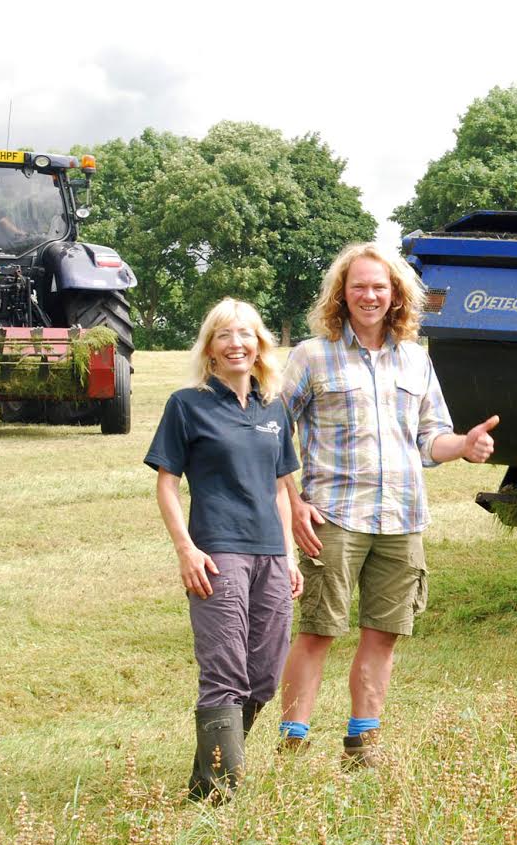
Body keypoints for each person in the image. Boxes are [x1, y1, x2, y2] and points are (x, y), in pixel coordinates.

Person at [276, 241, 498, 768]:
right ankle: (292, 745)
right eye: (359, 286)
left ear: (396, 295)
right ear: (342, 294)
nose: (370, 295)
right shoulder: (311, 355)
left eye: (380, 286)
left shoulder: (416, 358)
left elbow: (430, 439)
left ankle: (363, 744)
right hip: (332, 515)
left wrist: (464, 446)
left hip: (401, 519)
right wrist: (292, 499)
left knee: (384, 633)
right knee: (317, 631)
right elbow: (270, 430)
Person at [144, 298, 304, 802]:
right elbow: (167, 484)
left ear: (260, 345)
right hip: (216, 552)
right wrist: (185, 550)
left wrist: (290, 556)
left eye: (246, 334)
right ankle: (219, 796)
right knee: (225, 672)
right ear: (209, 348)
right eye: (224, 335)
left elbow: (281, 487)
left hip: (271, 556)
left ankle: (204, 781)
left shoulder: (273, 406)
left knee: (264, 675)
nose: (236, 344)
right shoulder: (187, 404)